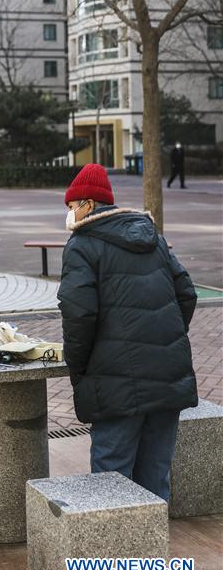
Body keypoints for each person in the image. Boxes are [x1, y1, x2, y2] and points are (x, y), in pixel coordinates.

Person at [58, 163, 197, 501]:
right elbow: (187, 294)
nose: (70, 213)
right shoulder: (153, 236)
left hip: (115, 385)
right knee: (155, 479)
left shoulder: (82, 246)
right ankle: (150, 554)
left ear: (89, 205)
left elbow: (79, 316)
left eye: (72, 205)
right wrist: (164, 342)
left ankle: (113, 555)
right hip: (167, 378)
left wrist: (80, 370)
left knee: (112, 485)